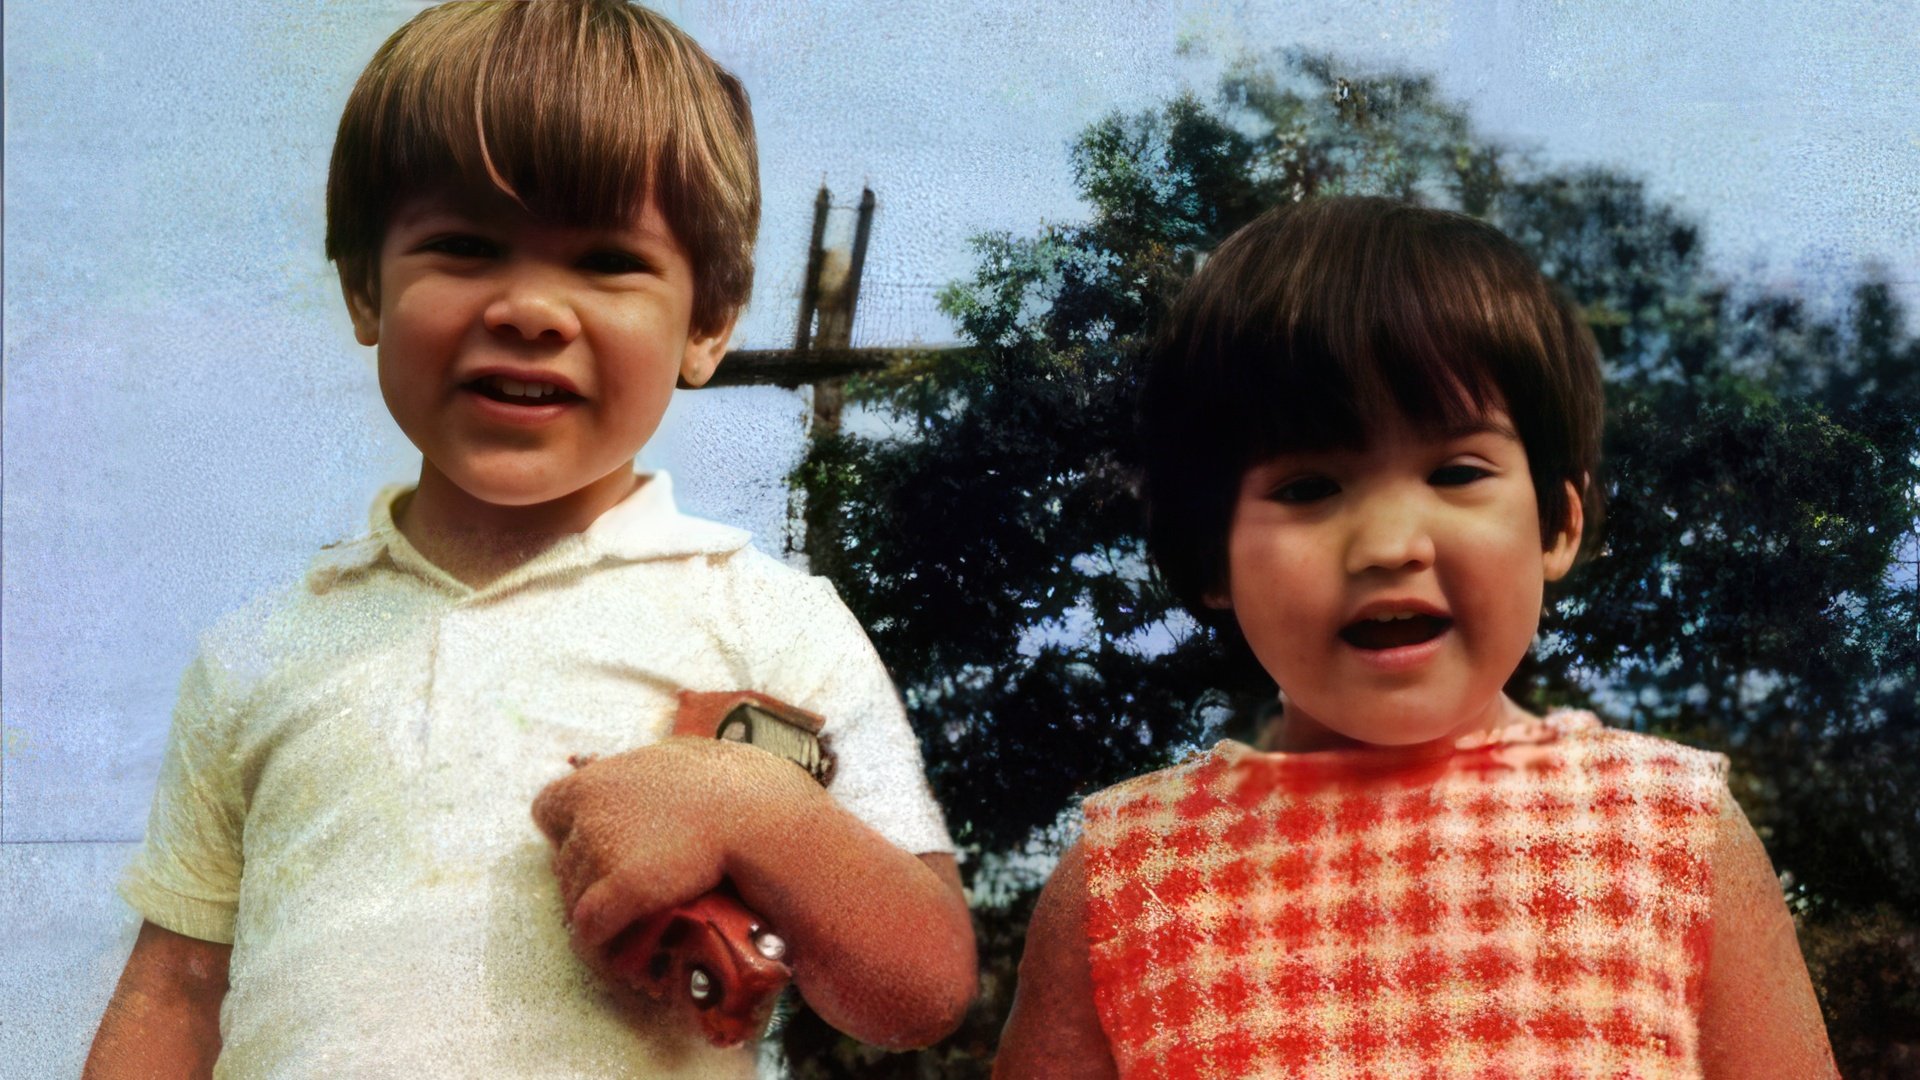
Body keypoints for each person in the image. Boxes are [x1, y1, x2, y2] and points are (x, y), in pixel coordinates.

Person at [84, 4, 974, 1076]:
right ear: (367, 284)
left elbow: (925, 985)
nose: (531, 309)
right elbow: (177, 991)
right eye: (463, 247)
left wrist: (754, 807)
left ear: (709, 322)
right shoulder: (257, 656)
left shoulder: (769, 620)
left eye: (606, 262)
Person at [994, 197, 1836, 1078]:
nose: (1392, 542)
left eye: (1457, 472)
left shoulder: (1675, 833)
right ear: (1212, 553)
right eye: (1311, 486)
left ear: (1556, 523)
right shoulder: (1128, 877)